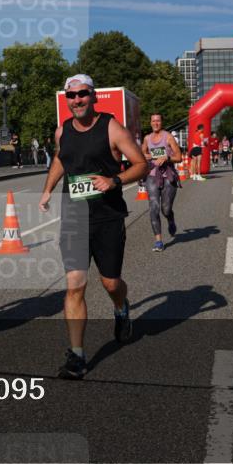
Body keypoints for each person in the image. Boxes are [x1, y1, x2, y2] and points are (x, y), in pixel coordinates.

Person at [39, 74, 149, 380]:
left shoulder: (112, 127)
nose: (76, 100)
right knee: (75, 285)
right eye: (70, 95)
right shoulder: (63, 130)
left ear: (93, 96)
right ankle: (77, 355)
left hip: (107, 217)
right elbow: (62, 159)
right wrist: (48, 188)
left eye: (82, 94)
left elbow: (141, 164)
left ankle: (121, 307)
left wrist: (114, 180)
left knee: (110, 283)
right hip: (74, 216)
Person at [141, 113, 183, 252]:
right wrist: (149, 156)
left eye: (158, 120)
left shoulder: (168, 137)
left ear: (161, 122)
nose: (155, 123)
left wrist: (167, 157)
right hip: (152, 176)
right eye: (153, 121)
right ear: (150, 122)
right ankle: (158, 241)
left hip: (168, 176)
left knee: (165, 209)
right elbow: (141, 155)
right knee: (153, 207)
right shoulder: (147, 138)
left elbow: (179, 157)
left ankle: (170, 219)